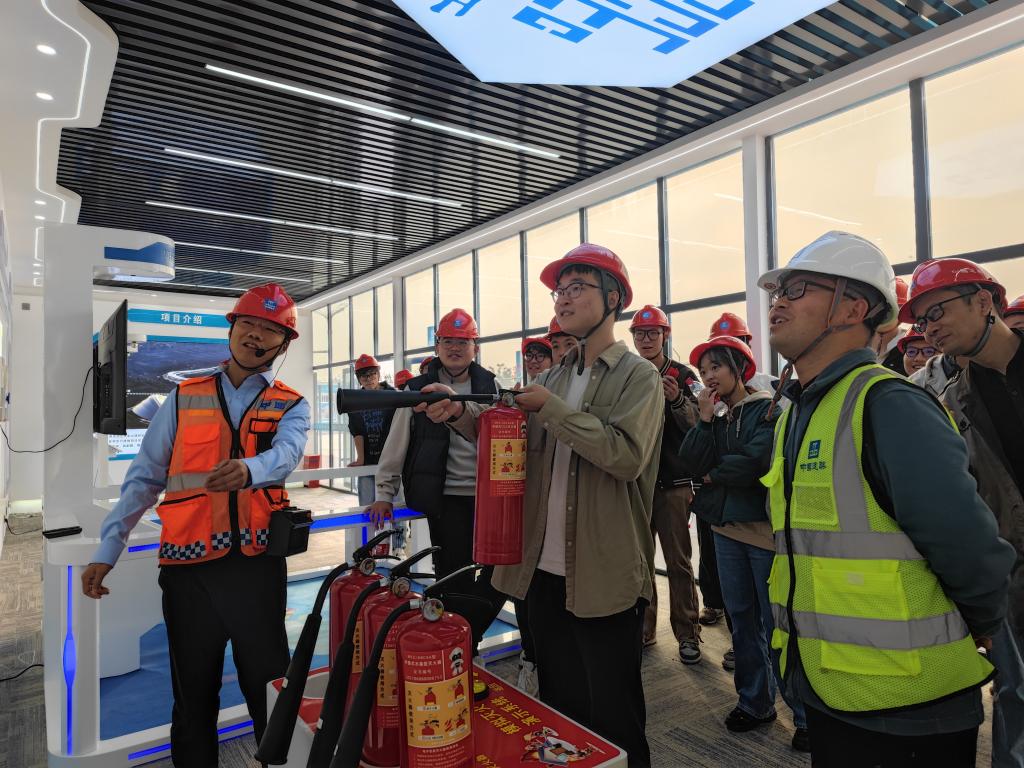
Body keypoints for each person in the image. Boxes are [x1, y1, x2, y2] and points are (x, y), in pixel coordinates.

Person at [758, 232, 1015, 767]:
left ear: (854, 309)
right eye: (778, 292)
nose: (778, 302)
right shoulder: (798, 414)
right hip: (830, 686)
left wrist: (989, 622)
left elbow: (966, 544)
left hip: (910, 704)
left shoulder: (889, 403)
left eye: (798, 289)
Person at [421, 244, 663, 767]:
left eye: (577, 288)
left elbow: (625, 457)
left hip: (603, 573)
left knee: (614, 714)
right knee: (560, 708)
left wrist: (552, 410)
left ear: (614, 298)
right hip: (541, 573)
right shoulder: (550, 378)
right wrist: (458, 415)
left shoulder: (638, 377)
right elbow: (512, 443)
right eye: (559, 291)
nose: (563, 299)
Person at [80, 284, 311, 768]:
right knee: (193, 691)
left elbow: (288, 454)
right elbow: (144, 477)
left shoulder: (291, 403)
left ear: (283, 343)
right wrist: (108, 548)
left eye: (269, 329)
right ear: (232, 329)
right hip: (189, 571)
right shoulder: (183, 397)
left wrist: (250, 469)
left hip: (255, 568)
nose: (255, 335)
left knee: (270, 688)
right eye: (248, 323)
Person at [902, 258, 1024, 768]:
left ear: (984, 301)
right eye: (922, 320)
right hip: (1012, 567)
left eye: (938, 312)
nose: (930, 329)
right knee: (1015, 691)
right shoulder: (950, 401)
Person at [680, 336, 808, 751]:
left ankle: (804, 714)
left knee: (778, 624)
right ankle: (754, 702)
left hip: (763, 535)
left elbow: (756, 462)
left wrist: (713, 476)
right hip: (725, 532)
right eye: (704, 371)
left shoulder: (767, 409)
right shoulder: (716, 416)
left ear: (740, 368)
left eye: (717, 367)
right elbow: (690, 461)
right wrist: (703, 420)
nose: (709, 377)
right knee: (740, 619)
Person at [368, 308, 504, 647]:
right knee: (452, 575)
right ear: (437, 345)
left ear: (475, 347)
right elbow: (396, 442)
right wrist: (384, 492)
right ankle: (459, 646)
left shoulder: (490, 384)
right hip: (445, 498)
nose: (455, 348)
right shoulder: (417, 389)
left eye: (463, 342)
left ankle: (466, 637)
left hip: (488, 498)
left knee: (500, 572)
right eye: (448, 341)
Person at [629, 304, 702, 664]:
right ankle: (644, 630)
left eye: (652, 333)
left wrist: (676, 400)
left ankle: (688, 633)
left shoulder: (683, 375)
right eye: (640, 334)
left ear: (664, 336)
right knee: (640, 563)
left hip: (673, 484)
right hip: (637, 484)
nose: (646, 339)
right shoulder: (628, 375)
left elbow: (698, 425)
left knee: (678, 562)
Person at [348, 353, 396, 505]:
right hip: (368, 460)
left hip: (392, 461)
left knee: (394, 504)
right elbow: (357, 430)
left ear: (378, 374)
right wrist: (360, 459)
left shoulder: (392, 395)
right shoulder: (355, 400)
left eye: (372, 374)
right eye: (363, 376)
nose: (368, 379)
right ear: (358, 379)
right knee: (366, 504)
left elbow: (400, 428)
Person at [707, 311, 778, 395]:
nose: (727, 356)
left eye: (733, 349)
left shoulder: (773, 387)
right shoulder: (709, 395)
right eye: (721, 350)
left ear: (748, 349)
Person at [872, 277, 910, 375]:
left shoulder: (912, 347)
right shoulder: (858, 344)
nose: (882, 315)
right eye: (877, 309)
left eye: (889, 310)